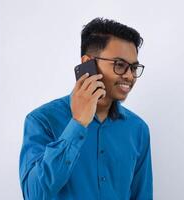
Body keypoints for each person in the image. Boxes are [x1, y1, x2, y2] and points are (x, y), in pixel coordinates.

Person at [19, 18, 153, 200]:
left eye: (134, 67)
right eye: (120, 65)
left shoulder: (137, 129)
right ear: (88, 63)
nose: (130, 76)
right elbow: (33, 195)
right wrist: (78, 124)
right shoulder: (42, 120)